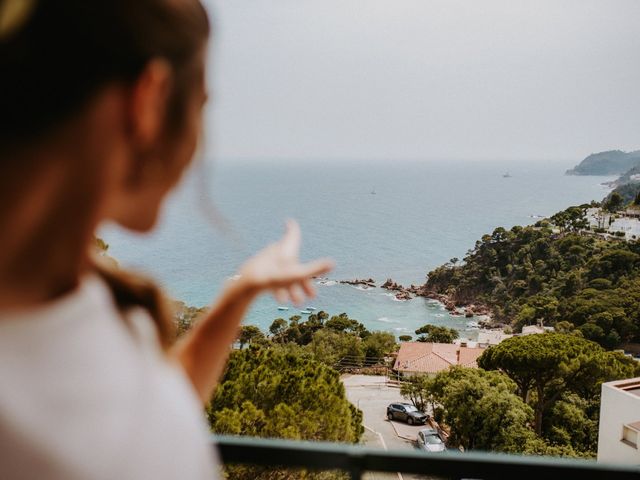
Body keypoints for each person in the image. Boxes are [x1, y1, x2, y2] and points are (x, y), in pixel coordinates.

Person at [0, 0, 333, 478]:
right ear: (150, 100)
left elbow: (151, 420)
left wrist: (240, 293)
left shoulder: (88, 296)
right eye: (200, 108)